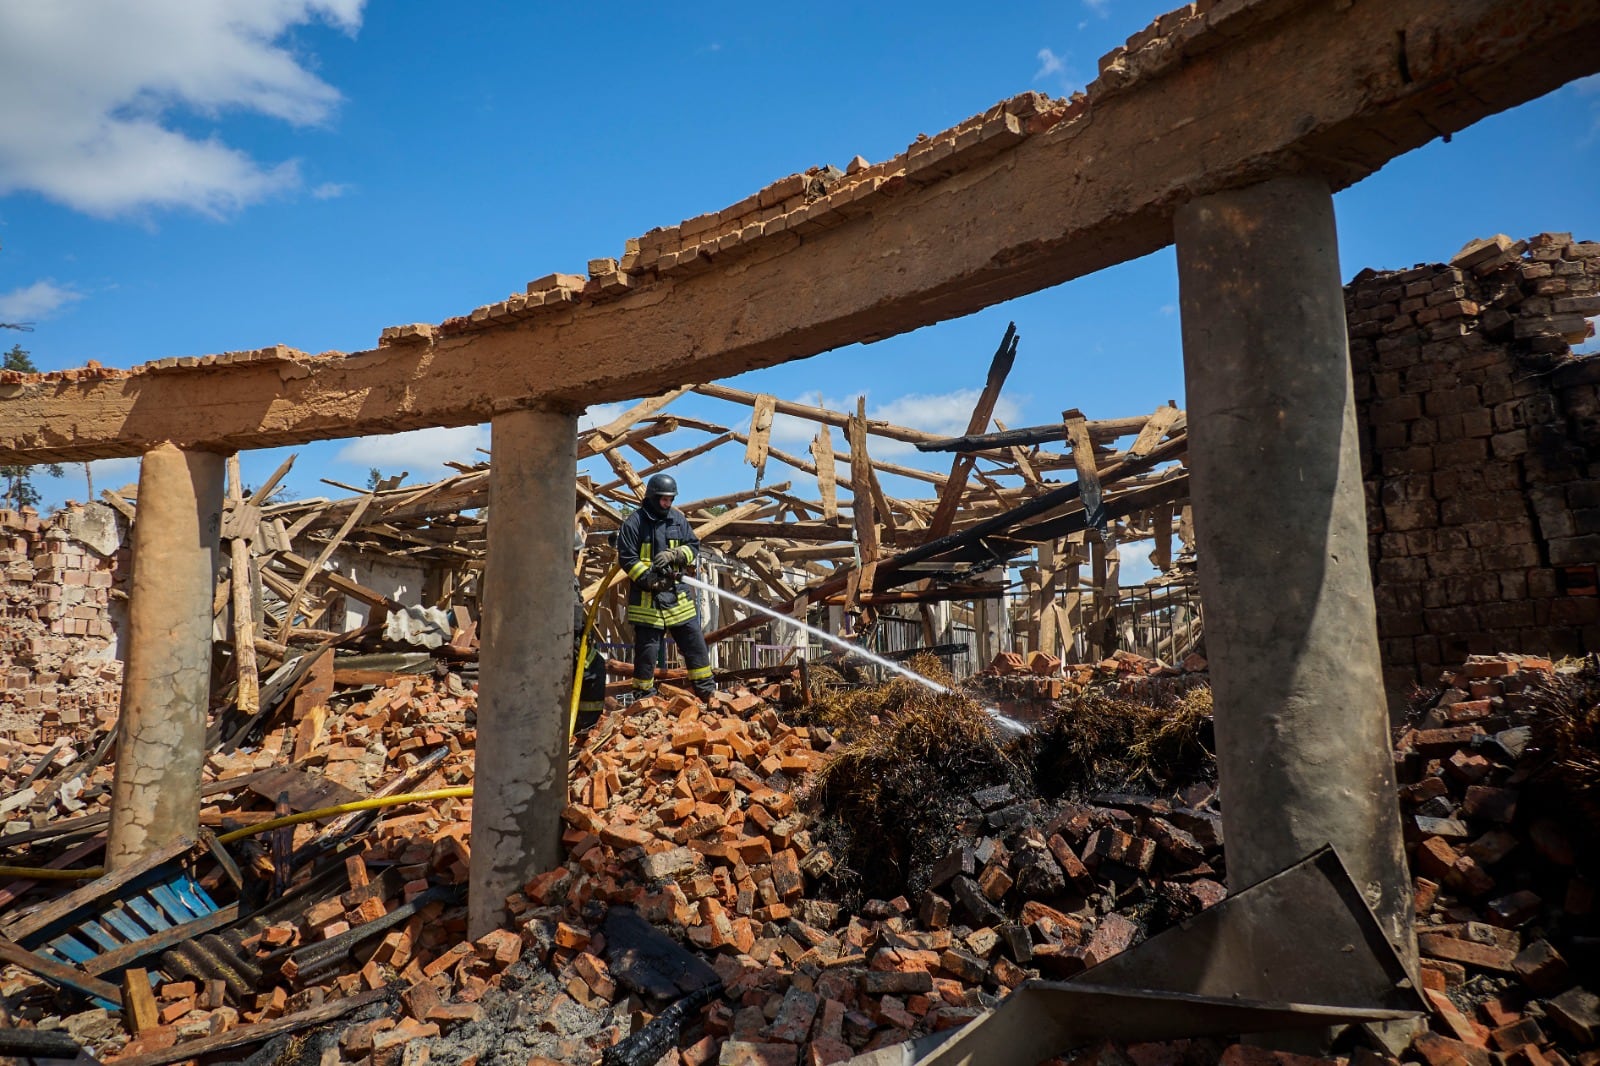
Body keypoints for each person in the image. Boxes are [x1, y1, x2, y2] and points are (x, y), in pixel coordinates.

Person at [616, 473, 716, 701]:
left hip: (677, 597)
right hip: (647, 601)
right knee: (647, 653)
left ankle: (707, 693)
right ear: (652, 497)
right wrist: (649, 580)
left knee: (695, 645)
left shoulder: (677, 520)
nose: (668, 503)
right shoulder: (634, 523)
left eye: (671, 499)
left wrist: (677, 554)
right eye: (664, 499)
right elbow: (627, 558)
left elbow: (693, 545)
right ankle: (644, 698)